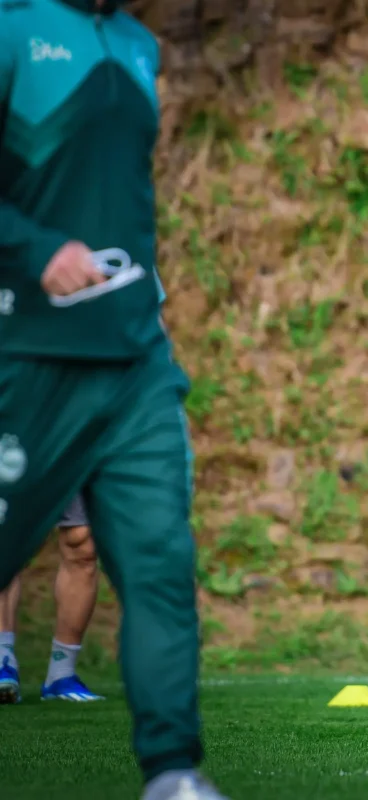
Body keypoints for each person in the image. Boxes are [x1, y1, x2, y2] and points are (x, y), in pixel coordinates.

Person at [0, 2, 226, 798]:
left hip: (135, 357)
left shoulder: (137, 44)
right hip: (25, 355)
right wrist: (35, 250)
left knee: (161, 560)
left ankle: (172, 774)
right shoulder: (10, 29)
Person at [0, 495, 105, 703]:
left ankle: (61, 675)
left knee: (82, 542)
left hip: (74, 461)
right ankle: (2, 661)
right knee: (4, 536)